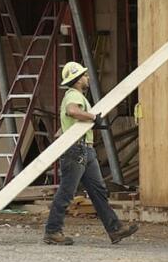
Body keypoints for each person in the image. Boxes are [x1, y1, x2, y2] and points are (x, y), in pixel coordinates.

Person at [44, 61, 139, 245]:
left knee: (98, 191)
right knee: (66, 192)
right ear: (78, 80)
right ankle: (52, 231)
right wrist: (94, 117)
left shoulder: (76, 96)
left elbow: (61, 129)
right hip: (77, 150)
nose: (87, 78)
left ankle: (115, 229)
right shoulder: (74, 95)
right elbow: (72, 111)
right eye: (84, 76)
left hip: (85, 150)